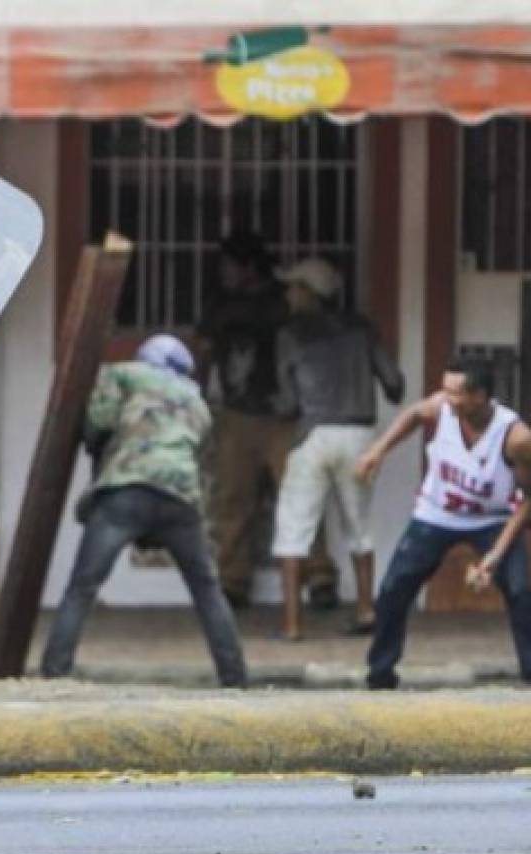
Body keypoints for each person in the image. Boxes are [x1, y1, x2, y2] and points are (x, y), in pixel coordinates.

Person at [39, 334, 247, 687]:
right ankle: (235, 678)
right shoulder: (196, 401)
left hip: (127, 488)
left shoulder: (124, 374)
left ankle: (54, 675)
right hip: (180, 496)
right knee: (207, 588)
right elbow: (197, 447)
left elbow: (97, 423)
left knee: (82, 587)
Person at [356, 356, 531, 689]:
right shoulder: (442, 408)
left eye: (455, 392)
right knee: (394, 587)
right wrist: (379, 450)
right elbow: (413, 414)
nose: (445, 397)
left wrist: (493, 558)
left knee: (521, 591)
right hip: (436, 512)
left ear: (479, 396)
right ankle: (380, 676)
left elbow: (527, 500)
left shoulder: (516, 437)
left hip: (492, 518)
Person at [197, 231, 339, 611]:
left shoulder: (283, 299)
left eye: (230, 265)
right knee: (231, 499)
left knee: (299, 495)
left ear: (248, 267)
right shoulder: (224, 303)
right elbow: (206, 346)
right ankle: (232, 581)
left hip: (282, 415)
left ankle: (320, 575)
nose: (223, 272)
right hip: (236, 413)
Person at [271, 258, 405, 641]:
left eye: (294, 287)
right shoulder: (362, 330)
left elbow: (287, 402)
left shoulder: (291, 333)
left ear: (310, 294)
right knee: (360, 526)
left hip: (312, 435)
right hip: (359, 435)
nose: (288, 293)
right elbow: (394, 384)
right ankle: (365, 609)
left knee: (293, 528)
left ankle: (292, 626)